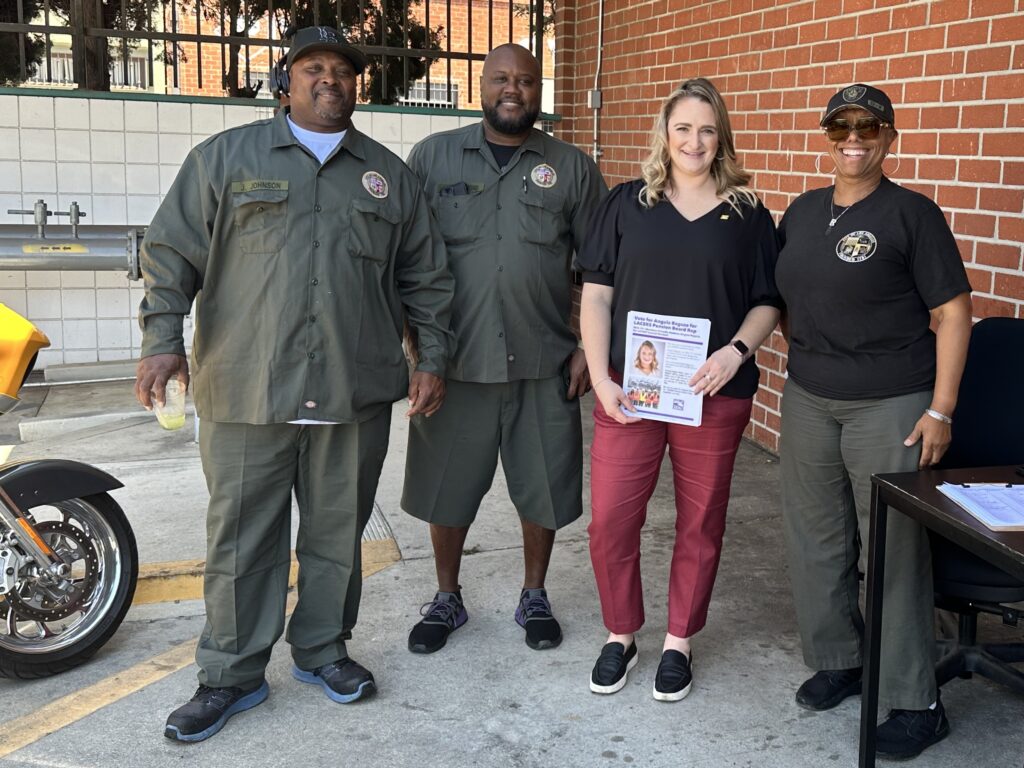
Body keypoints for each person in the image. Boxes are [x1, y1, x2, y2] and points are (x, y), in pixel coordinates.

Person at [135, 26, 454, 742]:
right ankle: (231, 674)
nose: (330, 80)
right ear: (285, 83)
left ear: (357, 86)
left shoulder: (387, 176)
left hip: (353, 385)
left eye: (343, 71)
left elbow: (425, 277)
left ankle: (321, 650)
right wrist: (161, 342)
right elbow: (168, 252)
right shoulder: (226, 158)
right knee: (242, 539)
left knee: (338, 534)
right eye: (314, 69)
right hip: (248, 386)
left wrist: (430, 356)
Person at [776, 83, 972, 760]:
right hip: (807, 398)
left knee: (894, 552)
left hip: (890, 403)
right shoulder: (801, 213)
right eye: (841, 126)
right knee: (816, 540)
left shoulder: (913, 214)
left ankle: (917, 700)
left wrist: (940, 408)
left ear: (890, 135)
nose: (853, 138)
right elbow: (785, 301)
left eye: (869, 126)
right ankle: (841, 660)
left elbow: (952, 315)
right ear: (825, 134)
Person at [577, 78, 782, 701]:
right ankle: (621, 633)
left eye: (707, 129)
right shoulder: (626, 203)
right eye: (684, 127)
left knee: (700, 522)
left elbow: (768, 302)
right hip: (632, 395)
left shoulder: (747, 213)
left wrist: (735, 351)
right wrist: (601, 378)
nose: (694, 141)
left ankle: (678, 642)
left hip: (713, 394)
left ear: (722, 137)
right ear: (665, 133)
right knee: (611, 519)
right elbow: (597, 295)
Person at [401, 43, 606, 655]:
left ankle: (534, 593)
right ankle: (447, 596)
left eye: (525, 80)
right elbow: (408, 262)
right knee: (448, 484)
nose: (512, 89)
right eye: (500, 79)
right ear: (480, 85)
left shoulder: (572, 167)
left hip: (543, 361)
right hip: (454, 364)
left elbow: (598, 270)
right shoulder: (432, 158)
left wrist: (588, 351)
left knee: (543, 483)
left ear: (538, 90)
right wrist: (419, 353)